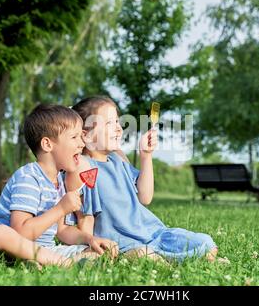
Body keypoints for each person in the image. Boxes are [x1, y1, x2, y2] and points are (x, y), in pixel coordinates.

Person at [65, 96, 218, 262]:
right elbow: (84, 218)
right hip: (123, 242)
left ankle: (174, 258)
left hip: (152, 232)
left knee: (207, 244)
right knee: (147, 257)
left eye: (117, 122)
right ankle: (170, 260)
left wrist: (145, 155)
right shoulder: (83, 166)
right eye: (109, 123)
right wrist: (91, 248)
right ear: (86, 135)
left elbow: (145, 197)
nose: (118, 129)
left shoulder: (118, 158)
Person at [0, 104, 118, 268]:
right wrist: (61, 209)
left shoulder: (59, 181)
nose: (82, 143)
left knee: (98, 252)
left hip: (46, 250)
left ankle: (40, 262)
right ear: (47, 145)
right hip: (12, 248)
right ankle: (64, 263)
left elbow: (62, 231)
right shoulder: (29, 177)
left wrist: (89, 239)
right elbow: (20, 232)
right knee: (0, 234)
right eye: (74, 137)